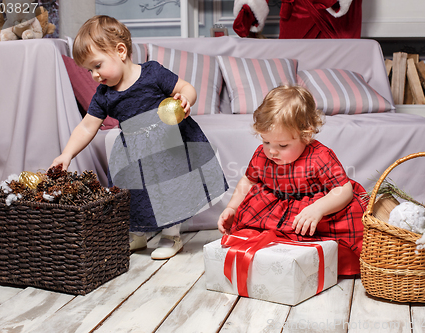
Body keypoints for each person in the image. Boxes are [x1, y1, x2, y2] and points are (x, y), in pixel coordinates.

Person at [51, 15, 227, 259]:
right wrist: (67, 153)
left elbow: (186, 87)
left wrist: (186, 99)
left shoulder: (152, 73)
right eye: (89, 70)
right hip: (133, 152)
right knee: (134, 194)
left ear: (120, 51)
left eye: (97, 66)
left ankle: (170, 235)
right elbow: (86, 126)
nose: (94, 75)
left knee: (170, 191)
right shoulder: (104, 94)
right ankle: (138, 234)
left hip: (167, 146)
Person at [217, 84, 367, 275]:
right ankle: (269, 262)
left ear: (306, 135)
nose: (272, 151)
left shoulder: (319, 156)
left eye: (282, 145)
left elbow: (343, 189)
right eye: (266, 141)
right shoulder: (263, 156)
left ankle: (322, 264)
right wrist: (232, 207)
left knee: (345, 223)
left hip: (311, 210)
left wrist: (318, 208)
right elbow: (248, 181)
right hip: (274, 209)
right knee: (254, 232)